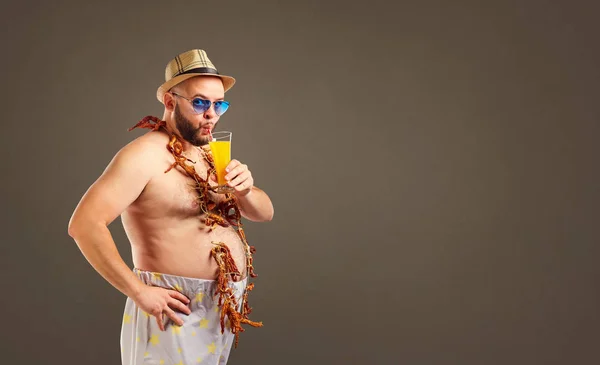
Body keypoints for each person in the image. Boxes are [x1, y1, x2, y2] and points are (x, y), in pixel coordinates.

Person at [68, 49, 274, 365]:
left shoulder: (209, 155)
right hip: (172, 307)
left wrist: (245, 190)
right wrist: (139, 292)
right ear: (170, 101)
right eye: (200, 102)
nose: (212, 115)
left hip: (218, 308)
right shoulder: (142, 156)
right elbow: (83, 225)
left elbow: (264, 213)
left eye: (219, 105)